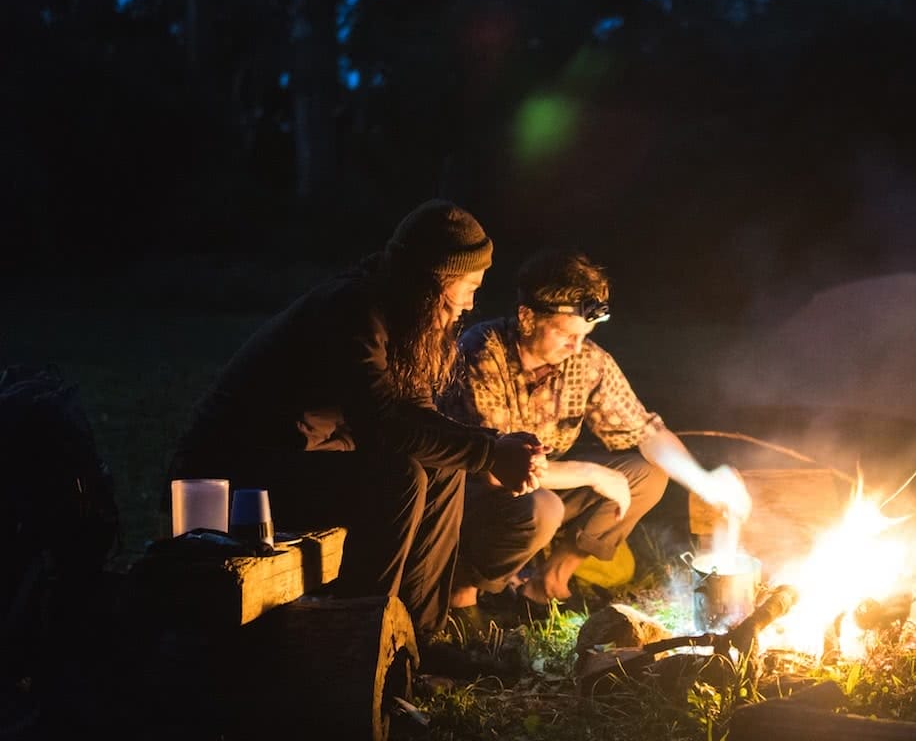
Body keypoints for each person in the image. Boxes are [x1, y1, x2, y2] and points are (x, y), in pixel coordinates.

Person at [169, 200, 545, 638]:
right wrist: (489, 453)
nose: (470, 303)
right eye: (468, 287)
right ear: (433, 282)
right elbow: (382, 423)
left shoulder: (404, 319)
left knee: (444, 469)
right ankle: (364, 635)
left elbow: (417, 414)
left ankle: (419, 637)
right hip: (237, 482)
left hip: (298, 462)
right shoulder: (352, 309)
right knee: (399, 475)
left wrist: (491, 446)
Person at [438, 249, 749, 611]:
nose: (576, 347)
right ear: (527, 318)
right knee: (544, 508)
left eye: (585, 335)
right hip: (467, 496)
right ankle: (464, 591)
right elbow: (494, 468)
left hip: (540, 490)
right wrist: (590, 472)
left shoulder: (586, 362)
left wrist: (704, 481)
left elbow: (646, 432)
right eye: (566, 334)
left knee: (647, 475)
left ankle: (549, 581)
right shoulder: (482, 351)